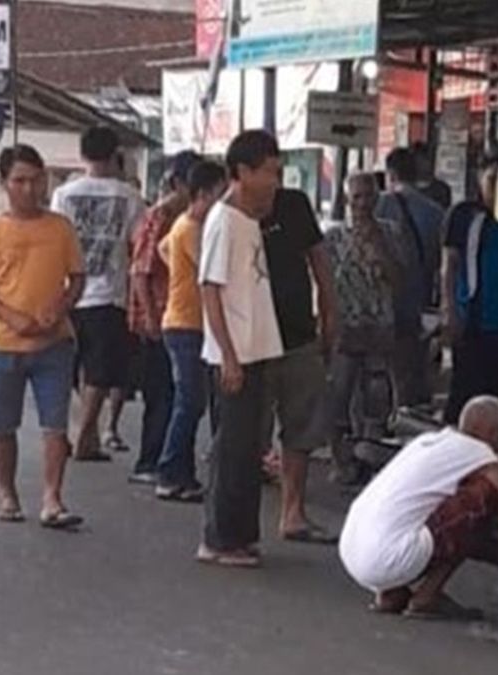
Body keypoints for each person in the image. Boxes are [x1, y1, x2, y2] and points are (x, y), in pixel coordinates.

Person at [0, 144, 87, 529]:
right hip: (4, 343)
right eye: (20, 180)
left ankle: (52, 498)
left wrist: (62, 306)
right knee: (2, 426)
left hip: (55, 342)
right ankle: (7, 492)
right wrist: (9, 315)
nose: (29, 189)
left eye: (36, 180)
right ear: (4, 184)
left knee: (55, 424)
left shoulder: (60, 228)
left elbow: (77, 279)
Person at [339, 396, 498, 618]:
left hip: (352, 553)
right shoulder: (479, 451)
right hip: (388, 557)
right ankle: (427, 596)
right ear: (495, 434)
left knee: (414, 506)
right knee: (482, 498)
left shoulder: (428, 443)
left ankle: (389, 593)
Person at [197, 130, 285, 567]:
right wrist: (228, 355)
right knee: (232, 448)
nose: (275, 180)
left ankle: (239, 533)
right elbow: (210, 289)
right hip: (235, 354)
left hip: (255, 348)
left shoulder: (248, 220)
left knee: (247, 448)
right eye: (269, 172)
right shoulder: (223, 220)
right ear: (243, 172)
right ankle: (219, 537)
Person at [51, 126, 146, 462]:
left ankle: (80, 431)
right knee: (100, 370)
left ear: (82, 154)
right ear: (113, 155)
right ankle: (86, 433)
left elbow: (55, 239)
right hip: (109, 294)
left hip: (68, 291)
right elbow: (139, 243)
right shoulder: (129, 196)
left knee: (69, 366)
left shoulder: (63, 194)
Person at [259, 179, 339, 541]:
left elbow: (320, 264)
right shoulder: (231, 208)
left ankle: (293, 512)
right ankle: (235, 522)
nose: (270, 179)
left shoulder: (293, 205)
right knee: (245, 431)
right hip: (250, 341)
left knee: (301, 427)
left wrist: (329, 318)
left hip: (297, 334)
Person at [324, 173, 410, 487]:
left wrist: (379, 248)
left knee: (376, 399)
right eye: (357, 197)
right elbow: (323, 282)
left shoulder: (391, 232)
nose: (362, 204)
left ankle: (369, 458)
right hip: (345, 330)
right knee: (338, 397)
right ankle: (340, 460)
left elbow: (400, 281)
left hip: (378, 330)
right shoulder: (334, 238)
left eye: (368, 197)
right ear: (347, 199)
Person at [126, 150, 200, 486]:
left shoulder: (190, 218)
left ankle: (173, 465)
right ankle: (151, 461)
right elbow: (141, 272)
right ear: (177, 183)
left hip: (178, 315)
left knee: (178, 394)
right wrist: (152, 320)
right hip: (159, 317)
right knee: (163, 395)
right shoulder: (161, 216)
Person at [155, 160, 226, 503]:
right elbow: (211, 271)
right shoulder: (193, 229)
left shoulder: (183, 226)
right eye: (219, 193)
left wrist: (177, 274)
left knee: (191, 401)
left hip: (185, 322)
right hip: (187, 325)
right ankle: (169, 472)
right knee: (190, 402)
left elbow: (163, 249)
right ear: (203, 194)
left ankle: (181, 475)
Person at [441, 160, 498, 425]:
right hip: (473, 319)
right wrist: (450, 309)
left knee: (491, 398)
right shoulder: (465, 216)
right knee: (463, 397)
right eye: (492, 180)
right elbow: (449, 265)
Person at [376, 148, 445, 408]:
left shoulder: (380, 205)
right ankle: (408, 417)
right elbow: (441, 264)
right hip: (417, 305)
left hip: (383, 303)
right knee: (411, 370)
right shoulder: (435, 212)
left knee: (381, 373)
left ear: (390, 173)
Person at [410, 142, 452, 210]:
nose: (429, 163)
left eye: (431, 159)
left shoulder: (442, 189)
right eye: (423, 159)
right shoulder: (407, 189)